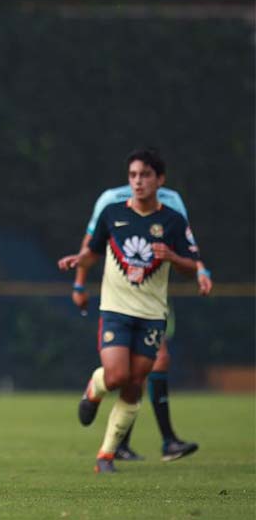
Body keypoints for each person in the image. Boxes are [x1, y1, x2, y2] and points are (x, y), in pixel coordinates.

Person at [58, 148, 199, 474]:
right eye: (133, 175)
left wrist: (174, 258)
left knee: (136, 383)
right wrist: (78, 266)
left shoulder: (173, 220)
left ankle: (106, 456)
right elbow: (92, 252)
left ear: (159, 180)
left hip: (151, 314)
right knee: (118, 376)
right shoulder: (111, 212)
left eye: (145, 175)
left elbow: (192, 266)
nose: (138, 182)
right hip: (116, 310)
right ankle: (95, 388)